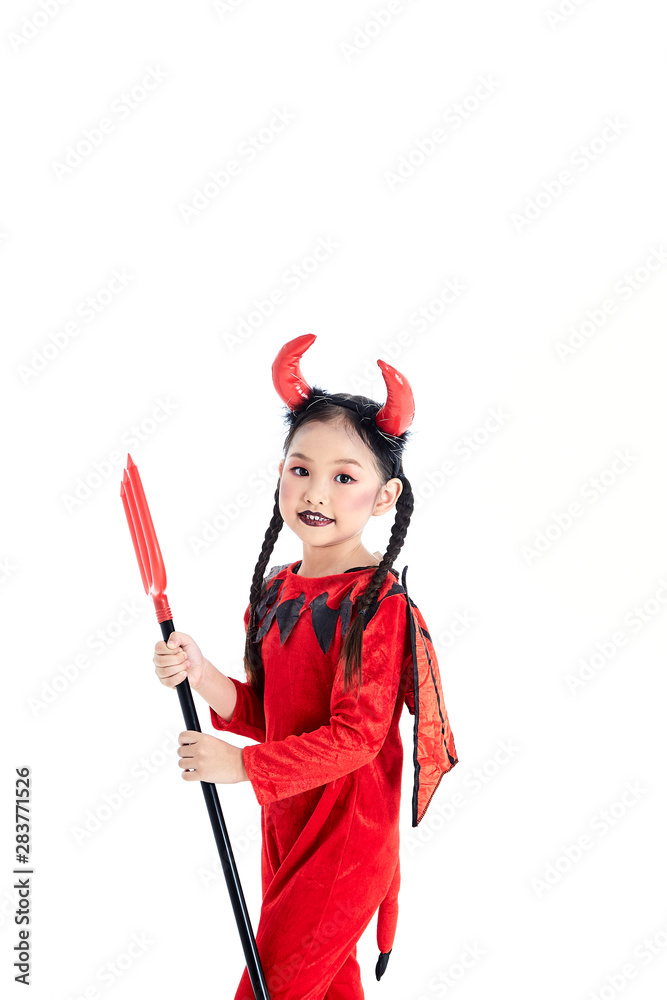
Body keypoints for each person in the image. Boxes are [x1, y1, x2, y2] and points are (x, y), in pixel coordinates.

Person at [152, 334, 458, 1000]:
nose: (316, 491)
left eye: (344, 477)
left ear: (384, 496)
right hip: (288, 824)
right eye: (301, 469)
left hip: (346, 836)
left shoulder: (376, 605)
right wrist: (202, 674)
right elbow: (274, 715)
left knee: (274, 988)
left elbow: (356, 738)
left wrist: (242, 767)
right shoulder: (275, 592)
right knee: (323, 988)